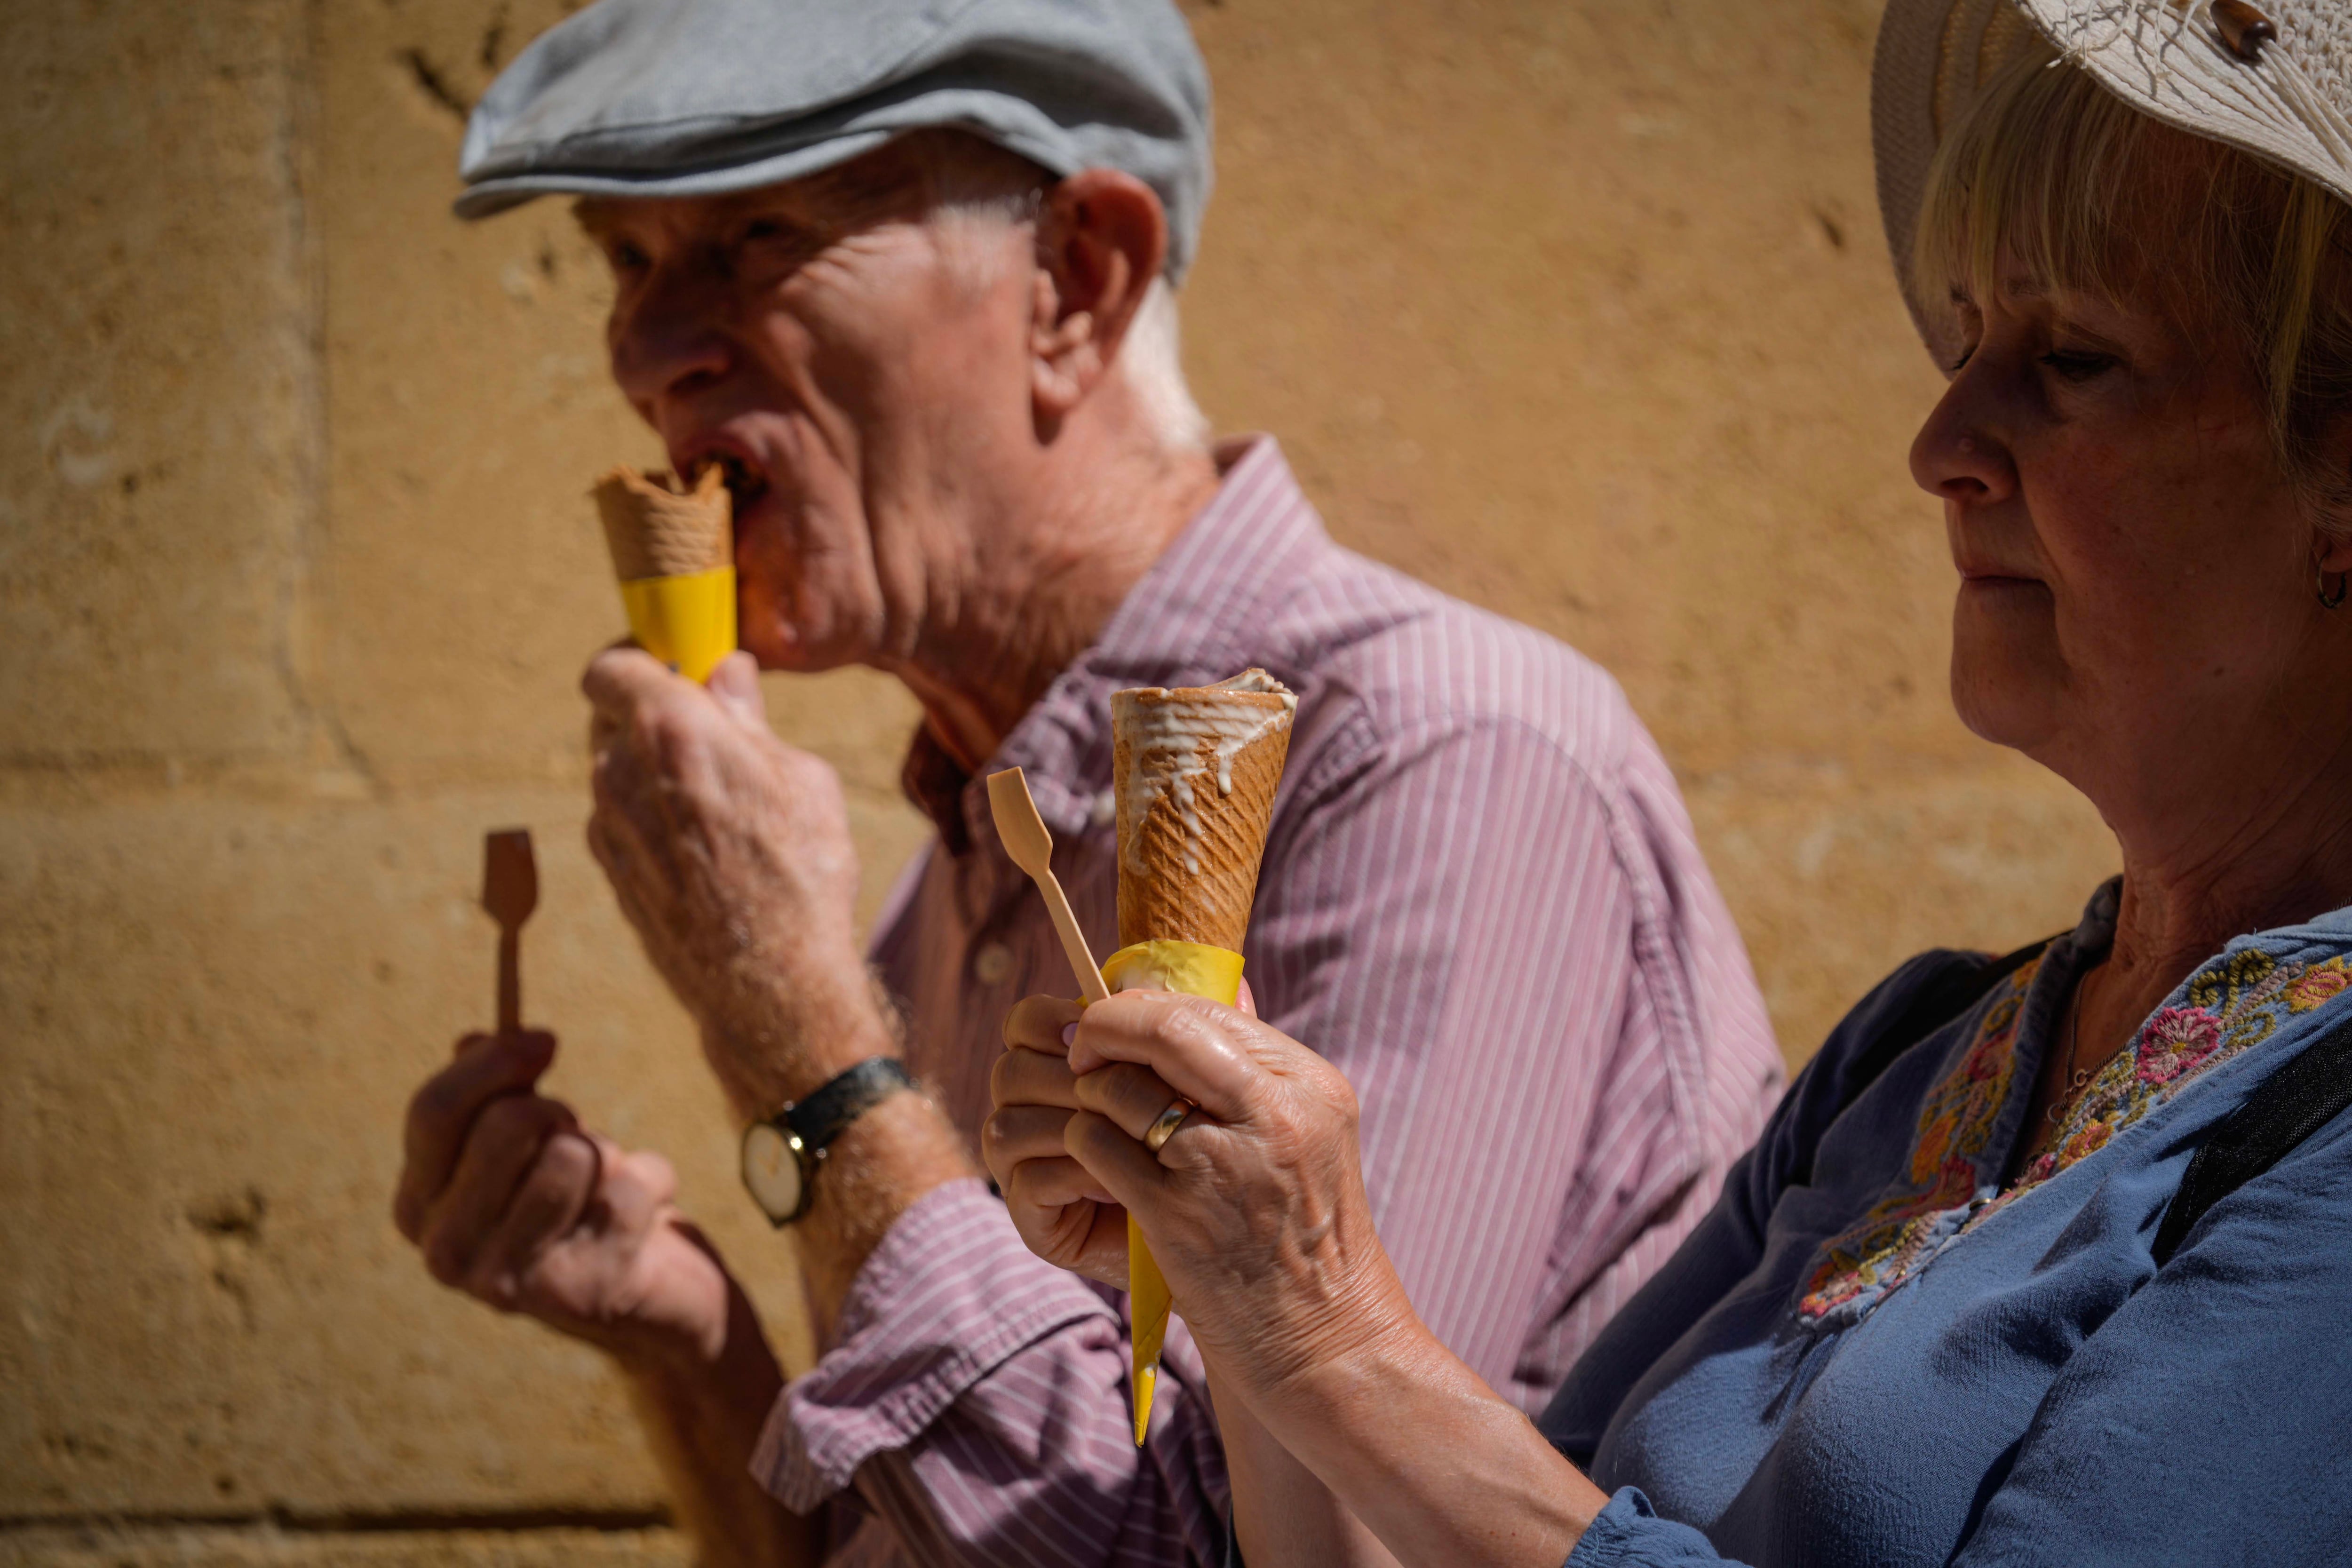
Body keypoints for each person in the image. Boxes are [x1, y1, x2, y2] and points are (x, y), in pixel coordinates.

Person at [389, 2, 1784, 1565]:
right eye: (627, 263)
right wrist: (691, 1351)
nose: (646, 350)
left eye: (758, 237)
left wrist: (795, 1030)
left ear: (1077, 281)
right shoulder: (959, 886)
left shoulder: (1443, 758)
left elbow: (1209, 1549)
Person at [990, 1, 2352, 1563]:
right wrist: (1238, 1294)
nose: (1943, 440)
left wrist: (1337, 1332)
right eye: (1968, 343)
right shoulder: (1915, 1055)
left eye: (2075, 360)